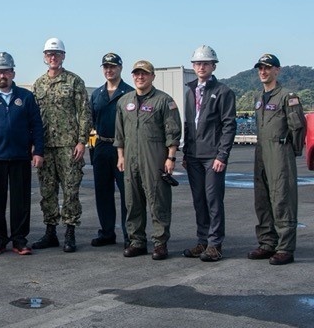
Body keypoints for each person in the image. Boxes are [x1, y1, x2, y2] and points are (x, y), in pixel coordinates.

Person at [0, 52, 44, 256]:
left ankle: (20, 240)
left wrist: (38, 151)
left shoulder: (26, 97)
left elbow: (36, 126)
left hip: (21, 157)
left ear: (13, 73)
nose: (1, 75)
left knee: (21, 201)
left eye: (5, 71)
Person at [114, 60, 181, 260]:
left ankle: (160, 243)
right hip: (130, 157)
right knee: (132, 201)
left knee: (157, 199)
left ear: (152, 76)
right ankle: (137, 241)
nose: (140, 77)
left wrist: (171, 157)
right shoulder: (124, 101)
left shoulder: (163, 101)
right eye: (136, 74)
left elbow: (173, 131)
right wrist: (121, 156)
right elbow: (120, 133)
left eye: (144, 74)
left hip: (155, 157)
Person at [32, 38, 91, 253]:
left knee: (70, 190)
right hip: (46, 147)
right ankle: (50, 232)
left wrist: (82, 141)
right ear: (44, 57)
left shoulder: (74, 81)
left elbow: (84, 112)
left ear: (63, 56)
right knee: (47, 191)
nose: (53, 57)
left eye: (56, 54)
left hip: (69, 146)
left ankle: (70, 232)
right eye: (49, 54)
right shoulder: (38, 84)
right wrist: (34, 145)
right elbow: (34, 117)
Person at [247, 53, 306, 265]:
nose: (263, 71)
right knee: (262, 199)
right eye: (260, 68)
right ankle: (266, 243)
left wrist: (292, 152)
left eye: (268, 68)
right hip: (261, 151)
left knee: (282, 198)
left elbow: (298, 127)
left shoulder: (287, 96)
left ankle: (285, 248)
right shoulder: (257, 98)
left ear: (277, 70)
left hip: (280, 151)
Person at [182, 46, 236, 262]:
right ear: (193, 66)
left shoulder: (223, 92)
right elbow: (188, 124)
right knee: (199, 200)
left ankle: (215, 244)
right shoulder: (189, 91)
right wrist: (185, 154)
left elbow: (229, 125)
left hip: (212, 156)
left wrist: (222, 155)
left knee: (213, 199)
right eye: (197, 63)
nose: (201, 66)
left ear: (213, 66)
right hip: (194, 155)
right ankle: (202, 241)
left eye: (205, 63)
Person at [90, 53, 134, 248]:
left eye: (113, 67)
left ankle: (130, 234)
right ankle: (107, 232)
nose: (109, 70)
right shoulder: (97, 94)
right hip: (101, 147)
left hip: (122, 148)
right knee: (103, 192)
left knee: (127, 194)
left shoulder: (130, 93)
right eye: (106, 67)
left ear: (120, 68)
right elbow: (90, 122)